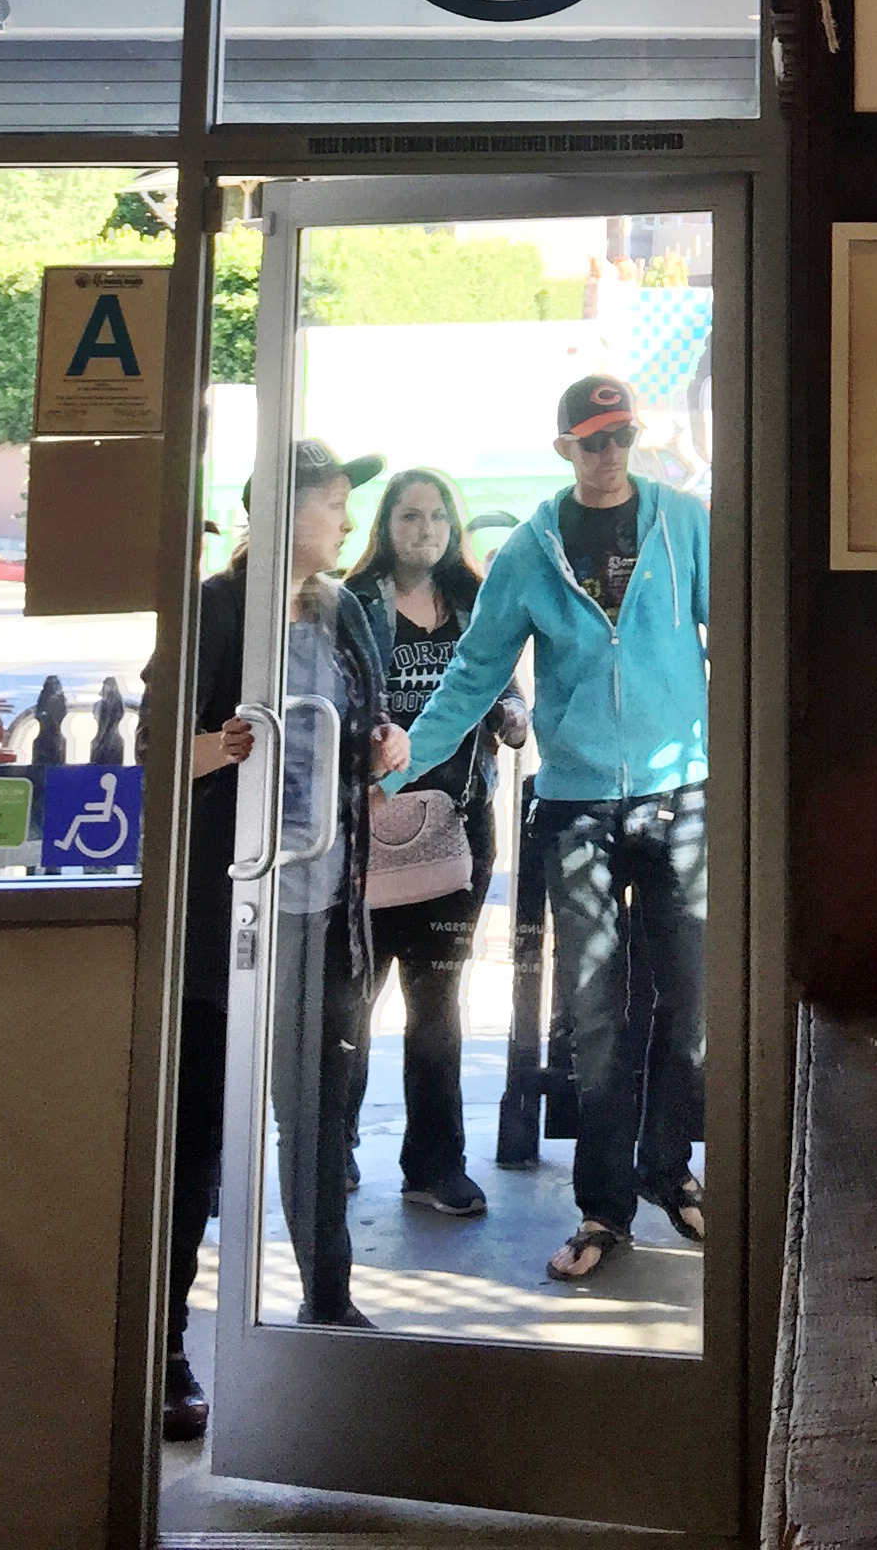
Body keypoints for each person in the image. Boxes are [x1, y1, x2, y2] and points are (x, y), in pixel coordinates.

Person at [381, 372, 709, 1288]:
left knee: (692, 1004)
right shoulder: (530, 551)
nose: (609, 454)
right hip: (575, 804)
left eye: (621, 437)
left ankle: (669, 1170)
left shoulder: (685, 524)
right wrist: (398, 767)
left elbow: (743, 633)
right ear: (564, 447)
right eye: (592, 440)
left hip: (683, 794)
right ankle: (606, 1209)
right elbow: (475, 675)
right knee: (596, 1015)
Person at [161, 438, 405, 1438]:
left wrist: (385, 747)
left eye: (346, 502)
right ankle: (167, 1348)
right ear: (279, 510)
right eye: (332, 502)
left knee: (317, 1119)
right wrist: (213, 748)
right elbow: (156, 749)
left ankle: (328, 1306)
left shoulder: (342, 609)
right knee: (201, 1138)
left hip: (323, 908)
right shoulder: (219, 609)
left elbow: (370, 733)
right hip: (232, 919)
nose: (346, 520)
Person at [340, 468, 525, 1221]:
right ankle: (333, 1144)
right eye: (410, 516)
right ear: (385, 525)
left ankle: (435, 1165)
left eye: (438, 516)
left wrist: (512, 714)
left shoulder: (478, 603)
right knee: (355, 995)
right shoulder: (353, 604)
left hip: (458, 828)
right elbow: (330, 703)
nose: (425, 530)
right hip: (370, 827)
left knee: (437, 1000)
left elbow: (502, 687)